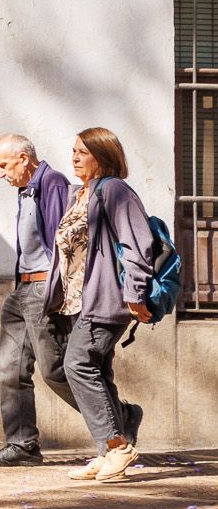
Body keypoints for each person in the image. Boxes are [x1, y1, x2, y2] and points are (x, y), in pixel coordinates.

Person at [47, 127, 154, 485]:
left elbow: (138, 244)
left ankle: (117, 445)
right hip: (80, 299)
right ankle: (107, 451)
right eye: (73, 151)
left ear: (103, 156)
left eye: (82, 152)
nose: (74, 157)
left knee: (76, 364)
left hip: (107, 298)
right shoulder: (81, 194)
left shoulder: (115, 190)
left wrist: (134, 294)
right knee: (98, 371)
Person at [0, 133, 75, 466]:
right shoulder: (25, 190)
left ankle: (118, 418)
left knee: (55, 370)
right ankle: (23, 445)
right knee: (10, 370)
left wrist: (57, 292)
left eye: (4, 165)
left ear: (23, 158)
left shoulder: (53, 183)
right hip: (21, 290)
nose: (2, 174)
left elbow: (63, 242)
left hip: (42, 291)